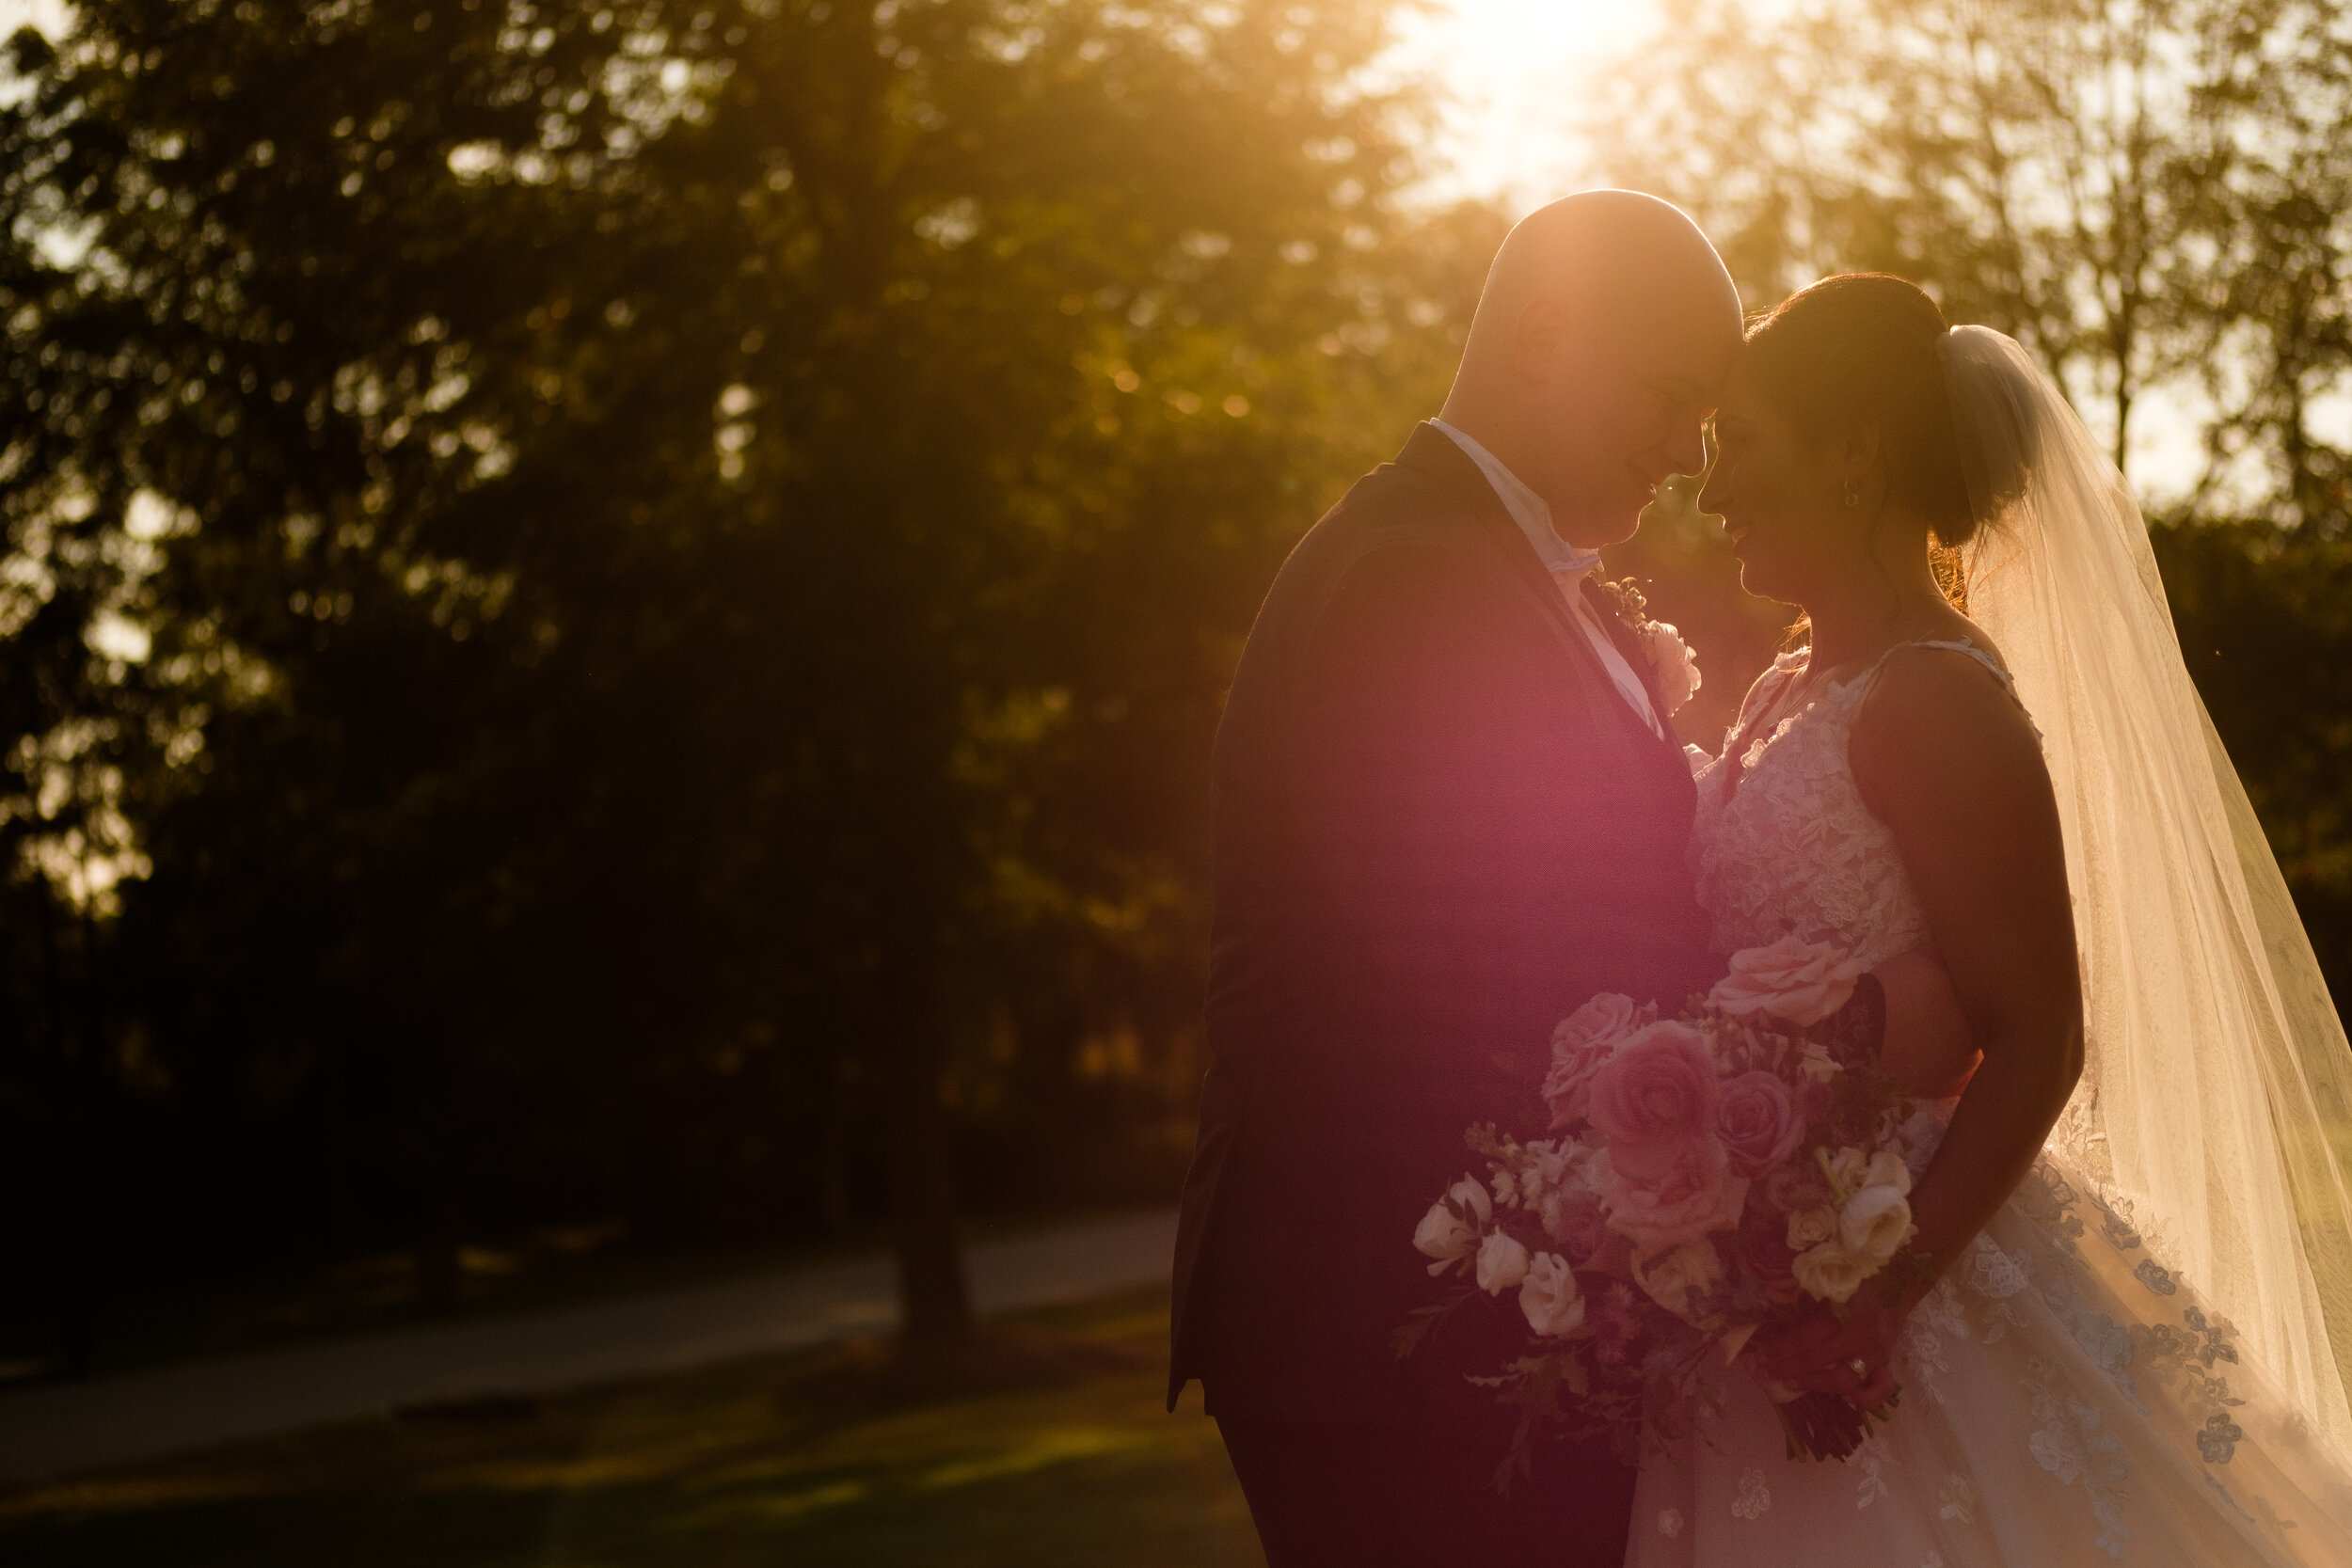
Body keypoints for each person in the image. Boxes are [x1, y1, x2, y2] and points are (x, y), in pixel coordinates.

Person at [1167, 194, 1970, 1567]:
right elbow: (1497, 971)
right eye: (1667, 401)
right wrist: (1807, 1076)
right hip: (1389, 1326)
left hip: (1478, 1306)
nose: (1681, 455)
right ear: (1546, 337)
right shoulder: (1410, 577)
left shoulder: (1515, 568)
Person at [1629, 272, 2352, 1564]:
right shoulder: (1790, 684)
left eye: (1744, 444)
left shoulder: (1933, 700)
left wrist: (1880, 1297)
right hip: (1769, 1264)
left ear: (1854, 451)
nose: (1713, 488)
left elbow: (2038, 1035)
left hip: (1909, 1277)